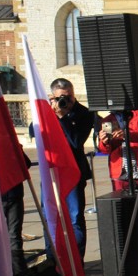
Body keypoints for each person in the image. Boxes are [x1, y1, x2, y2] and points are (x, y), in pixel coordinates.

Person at [49, 78, 94, 260]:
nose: (66, 101)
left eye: (69, 96)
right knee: (51, 218)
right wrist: (51, 112)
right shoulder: (48, 110)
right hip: (53, 172)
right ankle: (53, 262)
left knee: (75, 218)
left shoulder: (83, 113)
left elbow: (76, 141)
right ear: (53, 96)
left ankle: (77, 262)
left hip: (74, 172)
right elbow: (32, 131)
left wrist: (63, 117)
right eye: (61, 97)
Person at [97, 109, 138, 191]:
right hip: (119, 172)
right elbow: (105, 150)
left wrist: (127, 134)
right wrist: (104, 142)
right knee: (122, 201)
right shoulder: (107, 120)